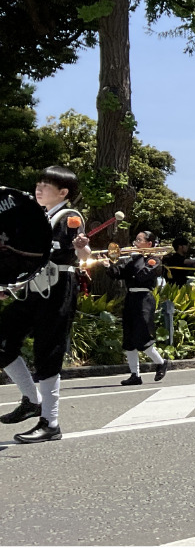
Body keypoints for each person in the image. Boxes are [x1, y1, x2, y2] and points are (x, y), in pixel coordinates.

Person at [0, 166, 91, 443]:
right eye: (38, 184)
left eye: (45, 186)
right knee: (2, 340)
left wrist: (81, 247)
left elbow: (82, 253)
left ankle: (50, 423)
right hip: (32, 289)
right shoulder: (36, 216)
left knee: (48, 351)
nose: (38, 189)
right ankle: (32, 400)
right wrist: (8, 284)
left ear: (63, 192)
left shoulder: (69, 217)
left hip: (58, 288)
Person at [103, 231, 172, 385]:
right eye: (135, 239)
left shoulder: (154, 260)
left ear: (149, 244)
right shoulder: (133, 259)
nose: (135, 242)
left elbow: (141, 275)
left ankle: (161, 362)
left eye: (139, 240)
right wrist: (108, 265)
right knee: (129, 338)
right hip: (130, 298)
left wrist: (136, 257)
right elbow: (119, 273)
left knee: (142, 336)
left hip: (144, 299)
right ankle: (135, 375)